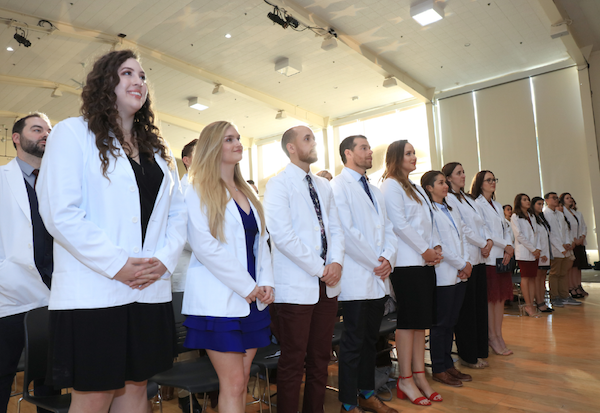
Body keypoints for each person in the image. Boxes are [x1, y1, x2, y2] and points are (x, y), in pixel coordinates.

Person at [37, 50, 187, 413]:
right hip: (95, 291)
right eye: (127, 73)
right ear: (106, 82)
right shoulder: (73, 133)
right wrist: (119, 263)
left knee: (137, 389)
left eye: (143, 75)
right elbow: (60, 212)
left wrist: (164, 261)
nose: (139, 81)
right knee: (95, 395)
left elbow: (178, 212)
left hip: (149, 287)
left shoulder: (158, 148)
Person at [182, 121, 274, 412]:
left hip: (252, 301)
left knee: (242, 379)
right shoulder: (196, 189)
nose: (237, 143)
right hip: (219, 301)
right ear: (212, 146)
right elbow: (204, 246)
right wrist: (247, 286)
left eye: (238, 138)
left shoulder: (246, 191)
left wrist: (267, 282)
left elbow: (262, 242)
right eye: (228, 139)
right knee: (233, 382)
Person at [264, 125, 344, 413]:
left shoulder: (323, 185)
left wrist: (336, 262)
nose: (314, 143)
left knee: (321, 357)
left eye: (314, 138)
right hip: (297, 285)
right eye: (307, 139)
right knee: (293, 360)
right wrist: (321, 267)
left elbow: (335, 227)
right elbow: (282, 236)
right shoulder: (278, 184)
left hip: (327, 283)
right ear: (291, 147)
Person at [331, 135, 398, 413]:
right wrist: (377, 261)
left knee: (371, 340)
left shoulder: (374, 189)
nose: (370, 152)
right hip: (357, 277)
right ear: (348, 153)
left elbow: (389, 229)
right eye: (364, 148)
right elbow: (346, 232)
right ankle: (348, 402)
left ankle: (367, 393)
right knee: (353, 343)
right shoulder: (337, 186)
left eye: (369, 147)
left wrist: (388, 259)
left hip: (378, 277)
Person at [0, 113, 59, 413]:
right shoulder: (1, 179)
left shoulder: (58, 183)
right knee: (2, 377)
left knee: (50, 386)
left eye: (48, 130)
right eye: (37, 129)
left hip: (55, 296)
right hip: (10, 297)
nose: (45, 135)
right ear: (16, 138)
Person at [380, 140, 443, 406]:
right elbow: (399, 224)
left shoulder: (414, 186)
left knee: (420, 324)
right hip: (406, 263)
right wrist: (425, 249)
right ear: (396, 157)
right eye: (408, 153)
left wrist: (435, 246)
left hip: (424, 262)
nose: (414, 157)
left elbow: (429, 219)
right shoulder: (390, 185)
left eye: (414, 153)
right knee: (407, 323)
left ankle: (419, 375)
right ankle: (404, 378)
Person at [421, 171, 472, 387]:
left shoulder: (450, 208)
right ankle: (439, 368)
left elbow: (463, 238)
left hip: (460, 272)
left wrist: (467, 263)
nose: (445, 186)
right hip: (445, 272)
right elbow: (439, 245)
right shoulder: (429, 211)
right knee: (440, 324)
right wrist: (462, 264)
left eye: (445, 182)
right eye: (440, 183)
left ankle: (449, 363)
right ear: (429, 188)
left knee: (451, 321)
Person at [443, 162, 492, 370]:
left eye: (463, 172)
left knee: (480, 308)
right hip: (468, 258)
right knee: (467, 312)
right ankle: (468, 355)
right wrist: (483, 243)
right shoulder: (449, 198)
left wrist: (488, 241)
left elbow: (482, 223)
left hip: (480, 258)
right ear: (448, 177)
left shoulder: (467, 198)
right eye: (459, 173)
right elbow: (462, 229)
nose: (463, 176)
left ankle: (481, 350)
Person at [170, 138, 202, 413]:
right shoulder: (181, 189)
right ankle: (186, 396)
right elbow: (191, 238)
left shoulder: (213, 188)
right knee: (187, 343)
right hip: (184, 278)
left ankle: (208, 393)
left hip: (210, 279)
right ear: (187, 161)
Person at [471, 171, 514, 356]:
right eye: (488, 180)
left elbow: (507, 229)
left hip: (503, 256)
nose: (492, 183)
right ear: (480, 184)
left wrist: (509, 246)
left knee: (501, 300)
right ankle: (492, 336)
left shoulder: (497, 205)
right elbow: (485, 231)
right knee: (491, 300)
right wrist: (505, 245)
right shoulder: (476, 204)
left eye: (494, 179)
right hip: (488, 258)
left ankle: (498, 335)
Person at [543, 193, 581, 307]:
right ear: (547, 200)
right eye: (553, 198)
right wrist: (561, 247)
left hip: (565, 248)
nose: (556, 200)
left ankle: (565, 295)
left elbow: (566, 230)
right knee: (555, 273)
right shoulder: (545, 214)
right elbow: (551, 234)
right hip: (555, 249)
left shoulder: (560, 214)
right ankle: (555, 297)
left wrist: (568, 243)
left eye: (557, 198)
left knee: (564, 273)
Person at [511, 194, 541, 317]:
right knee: (526, 278)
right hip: (524, 252)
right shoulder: (515, 216)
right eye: (524, 200)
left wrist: (537, 248)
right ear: (519, 202)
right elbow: (519, 235)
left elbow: (536, 233)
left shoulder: (532, 216)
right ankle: (528, 305)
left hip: (534, 252)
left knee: (533, 278)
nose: (527, 201)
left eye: (528, 199)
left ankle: (532, 304)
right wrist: (533, 248)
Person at [530, 197, 553, 313]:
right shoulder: (531, 218)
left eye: (542, 204)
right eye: (538, 204)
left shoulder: (541, 218)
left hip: (545, 253)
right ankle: (539, 302)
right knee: (537, 279)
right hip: (539, 253)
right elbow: (535, 237)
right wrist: (540, 252)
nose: (541, 206)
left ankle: (542, 300)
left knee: (543, 279)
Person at [571, 198, 590, 296]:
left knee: (579, 267)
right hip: (573, 243)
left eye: (573, 201)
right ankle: (573, 286)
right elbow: (569, 230)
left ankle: (578, 285)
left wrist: (582, 237)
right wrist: (575, 240)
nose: (572, 203)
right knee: (573, 267)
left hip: (580, 242)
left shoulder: (578, 214)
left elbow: (584, 227)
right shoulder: (566, 215)